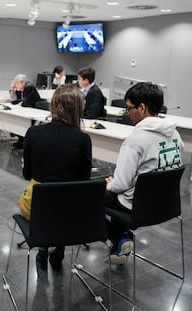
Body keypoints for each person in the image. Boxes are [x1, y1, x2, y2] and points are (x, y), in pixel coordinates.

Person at [105, 82, 184, 265]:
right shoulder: (176, 135)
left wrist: (110, 183)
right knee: (122, 192)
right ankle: (121, 239)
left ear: (142, 108)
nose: (127, 113)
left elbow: (120, 185)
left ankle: (121, 238)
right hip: (166, 205)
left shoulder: (135, 142)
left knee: (93, 195)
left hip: (139, 207)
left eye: (129, 108)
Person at [19, 84, 92, 270]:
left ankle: (42, 247)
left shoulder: (33, 133)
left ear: (53, 105)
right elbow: (84, 181)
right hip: (69, 211)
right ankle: (59, 249)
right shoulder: (83, 140)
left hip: (36, 208)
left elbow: (27, 174)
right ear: (78, 108)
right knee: (66, 198)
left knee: (42, 196)